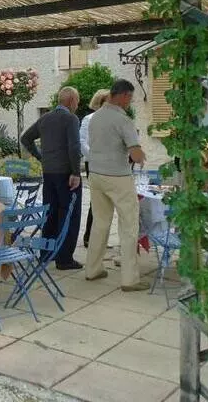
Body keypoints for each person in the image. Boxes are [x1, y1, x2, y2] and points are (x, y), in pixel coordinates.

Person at [85, 79, 150, 291]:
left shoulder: (95, 118)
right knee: (129, 226)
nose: (130, 103)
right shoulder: (122, 120)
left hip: (95, 174)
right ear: (123, 96)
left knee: (100, 223)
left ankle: (92, 270)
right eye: (130, 98)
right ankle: (129, 279)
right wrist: (141, 156)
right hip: (118, 177)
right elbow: (135, 153)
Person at [21, 86, 83, 270]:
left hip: (48, 173)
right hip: (66, 174)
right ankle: (65, 259)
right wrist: (76, 173)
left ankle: (46, 254)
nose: (77, 105)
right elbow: (74, 147)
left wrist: (41, 156)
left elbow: (26, 138)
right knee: (69, 215)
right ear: (71, 101)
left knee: (50, 213)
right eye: (77, 101)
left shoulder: (45, 118)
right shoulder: (71, 119)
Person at [79, 89, 110, 248]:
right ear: (99, 103)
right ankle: (89, 237)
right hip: (94, 163)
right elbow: (82, 142)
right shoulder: (88, 119)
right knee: (97, 201)